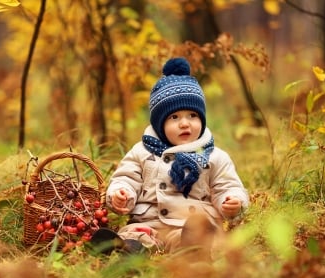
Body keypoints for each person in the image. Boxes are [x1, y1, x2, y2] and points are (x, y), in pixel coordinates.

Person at [90, 57, 249, 258]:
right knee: (134, 234)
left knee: (193, 236)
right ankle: (127, 249)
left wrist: (232, 200)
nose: (185, 123)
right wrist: (121, 194)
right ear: (159, 124)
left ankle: (191, 249)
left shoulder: (214, 156)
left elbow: (227, 186)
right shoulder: (142, 152)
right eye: (174, 117)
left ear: (202, 118)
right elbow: (126, 178)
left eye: (192, 115)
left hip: (187, 225)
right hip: (147, 223)